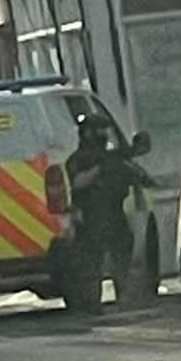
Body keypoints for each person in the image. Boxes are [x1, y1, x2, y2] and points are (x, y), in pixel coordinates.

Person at [65, 114, 135, 315]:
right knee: (92, 262)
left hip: (115, 213)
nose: (104, 135)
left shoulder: (113, 157)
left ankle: (123, 296)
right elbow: (76, 184)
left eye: (105, 130)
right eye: (99, 130)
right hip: (91, 217)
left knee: (121, 256)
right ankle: (91, 304)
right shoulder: (79, 159)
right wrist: (99, 169)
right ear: (87, 133)